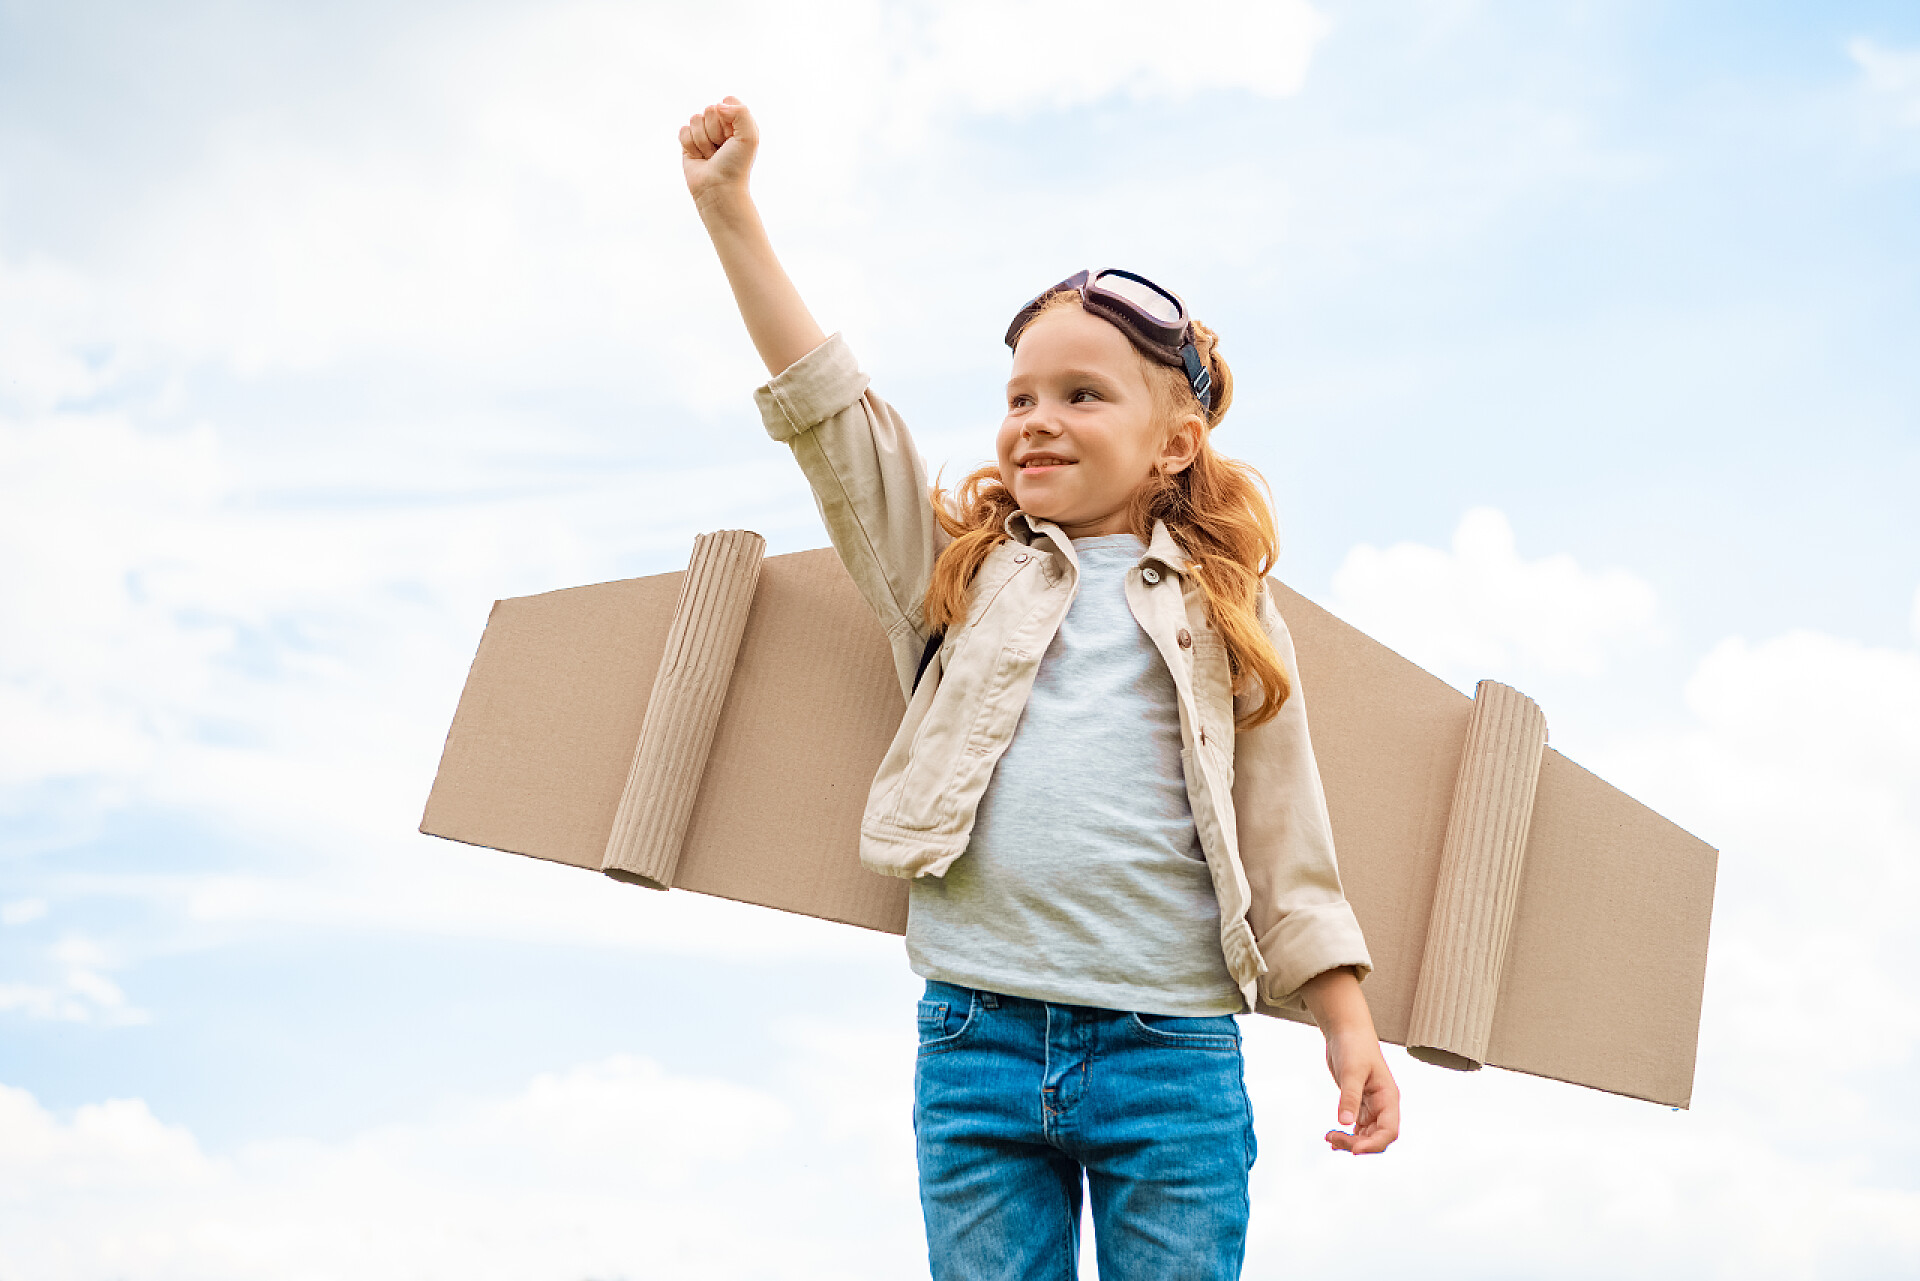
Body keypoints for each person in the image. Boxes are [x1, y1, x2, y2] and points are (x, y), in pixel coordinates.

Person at [680, 95, 1399, 1281]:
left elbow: (1287, 831)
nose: (1036, 422)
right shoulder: (965, 572)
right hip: (978, 1038)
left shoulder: (1225, 607)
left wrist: (1345, 1020)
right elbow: (835, 425)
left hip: (1171, 1057)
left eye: (1081, 395)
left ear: (1174, 443)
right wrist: (731, 214)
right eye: (1019, 396)